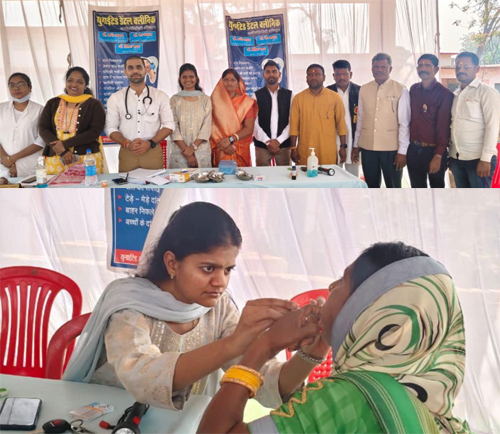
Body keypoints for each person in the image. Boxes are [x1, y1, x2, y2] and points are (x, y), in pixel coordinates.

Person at [63, 202, 328, 411]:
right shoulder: (130, 306)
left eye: (228, 269)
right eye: (208, 268)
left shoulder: (219, 308)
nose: (220, 282)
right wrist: (235, 343)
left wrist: (312, 353)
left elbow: (263, 379)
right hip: (116, 421)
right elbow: (143, 379)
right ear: (172, 263)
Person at [198, 242, 471, 434]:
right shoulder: (435, 404)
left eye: (342, 281)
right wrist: (317, 348)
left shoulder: (349, 397)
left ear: (366, 309)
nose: (330, 287)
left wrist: (264, 346)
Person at [104, 56, 175, 172]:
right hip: (127, 152)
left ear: (146, 70)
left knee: (155, 183)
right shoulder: (115, 98)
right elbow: (110, 127)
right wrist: (127, 143)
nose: (135, 71)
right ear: (125, 72)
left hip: (152, 150)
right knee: (126, 183)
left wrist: (150, 143)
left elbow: (169, 125)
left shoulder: (160, 96)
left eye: (138, 67)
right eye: (130, 68)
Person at [352, 53, 411, 188]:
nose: (379, 70)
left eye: (383, 67)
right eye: (376, 67)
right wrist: (356, 145)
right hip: (368, 147)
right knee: (371, 185)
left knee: (393, 186)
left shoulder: (401, 89)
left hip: (391, 148)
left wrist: (402, 151)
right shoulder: (364, 89)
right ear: (371, 69)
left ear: (390, 69)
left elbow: (404, 123)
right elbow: (360, 118)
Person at [38, 67, 106, 175]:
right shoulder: (53, 103)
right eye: (70, 80)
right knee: (56, 186)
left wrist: (65, 144)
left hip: (86, 159)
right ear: (66, 82)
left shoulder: (94, 104)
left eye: (80, 82)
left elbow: (94, 132)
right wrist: (62, 151)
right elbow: (43, 128)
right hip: (56, 158)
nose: (74, 84)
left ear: (85, 85)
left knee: (88, 185)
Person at [449, 51, 500, 188]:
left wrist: (485, 159)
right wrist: (451, 156)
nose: (461, 70)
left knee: (480, 200)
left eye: (466, 67)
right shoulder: (455, 95)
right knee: (464, 199)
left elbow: (492, 126)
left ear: (477, 69)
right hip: (457, 159)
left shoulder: (487, 92)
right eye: (458, 67)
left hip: (478, 160)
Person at [408, 54, 453, 188]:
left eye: (428, 65)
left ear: (436, 69)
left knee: (436, 190)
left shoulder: (444, 94)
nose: (423, 68)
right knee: (417, 190)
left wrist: (438, 156)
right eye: (420, 65)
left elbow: (444, 127)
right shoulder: (413, 89)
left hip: (433, 151)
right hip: (413, 150)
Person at [290, 64, 347, 166]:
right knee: (305, 175)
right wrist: (293, 148)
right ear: (306, 78)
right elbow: (294, 126)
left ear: (324, 77)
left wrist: (343, 147)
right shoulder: (298, 98)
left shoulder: (335, 98)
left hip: (328, 151)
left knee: (327, 175)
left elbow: (341, 124)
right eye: (310, 75)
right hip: (305, 150)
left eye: (317, 74)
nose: (314, 77)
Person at [210, 69, 258, 167]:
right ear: (221, 82)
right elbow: (210, 126)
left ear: (237, 83)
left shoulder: (246, 102)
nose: (229, 83)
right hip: (219, 147)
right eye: (226, 80)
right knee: (221, 175)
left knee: (240, 175)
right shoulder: (213, 102)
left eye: (232, 80)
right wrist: (222, 145)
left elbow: (249, 128)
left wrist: (230, 140)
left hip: (238, 148)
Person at [0, 73, 44, 178]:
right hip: (3, 166)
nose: (16, 88)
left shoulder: (40, 110)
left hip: (29, 166)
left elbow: (41, 140)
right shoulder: (1, 108)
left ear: (30, 87)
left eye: (21, 84)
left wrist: (12, 159)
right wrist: (7, 161)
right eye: (12, 85)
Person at [169, 64, 212, 169]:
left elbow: (206, 127)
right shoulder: (174, 100)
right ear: (180, 79)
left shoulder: (205, 99)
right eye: (184, 77)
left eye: (191, 76)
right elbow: (173, 127)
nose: (188, 79)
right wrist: (187, 153)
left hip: (201, 150)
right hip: (180, 151)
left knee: (202, 178)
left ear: (196, 78)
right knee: (179, 178)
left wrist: (193, 147)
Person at [253, 60, 293, 166]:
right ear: (263, 75)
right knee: (261, 174)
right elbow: (254, 122)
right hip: (262, 145)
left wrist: (279, 141)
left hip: (283, 145)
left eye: (274, 71)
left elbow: (292, 121)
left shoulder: (289, 95)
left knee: (284, 174)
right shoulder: (256, 96)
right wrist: (267, 141)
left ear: (279, 74)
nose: (271, 74)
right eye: (268, 72)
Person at [327, 60, 361, 176]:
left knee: (353, 174)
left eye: (345, 74)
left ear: (350, 74)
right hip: (333, 137)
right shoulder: (327, 92)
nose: (341, 77)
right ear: (333, 76)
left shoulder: (359, 91)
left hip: (353, 138)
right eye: (338, 74)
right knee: (333, 173)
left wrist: (358, 145)